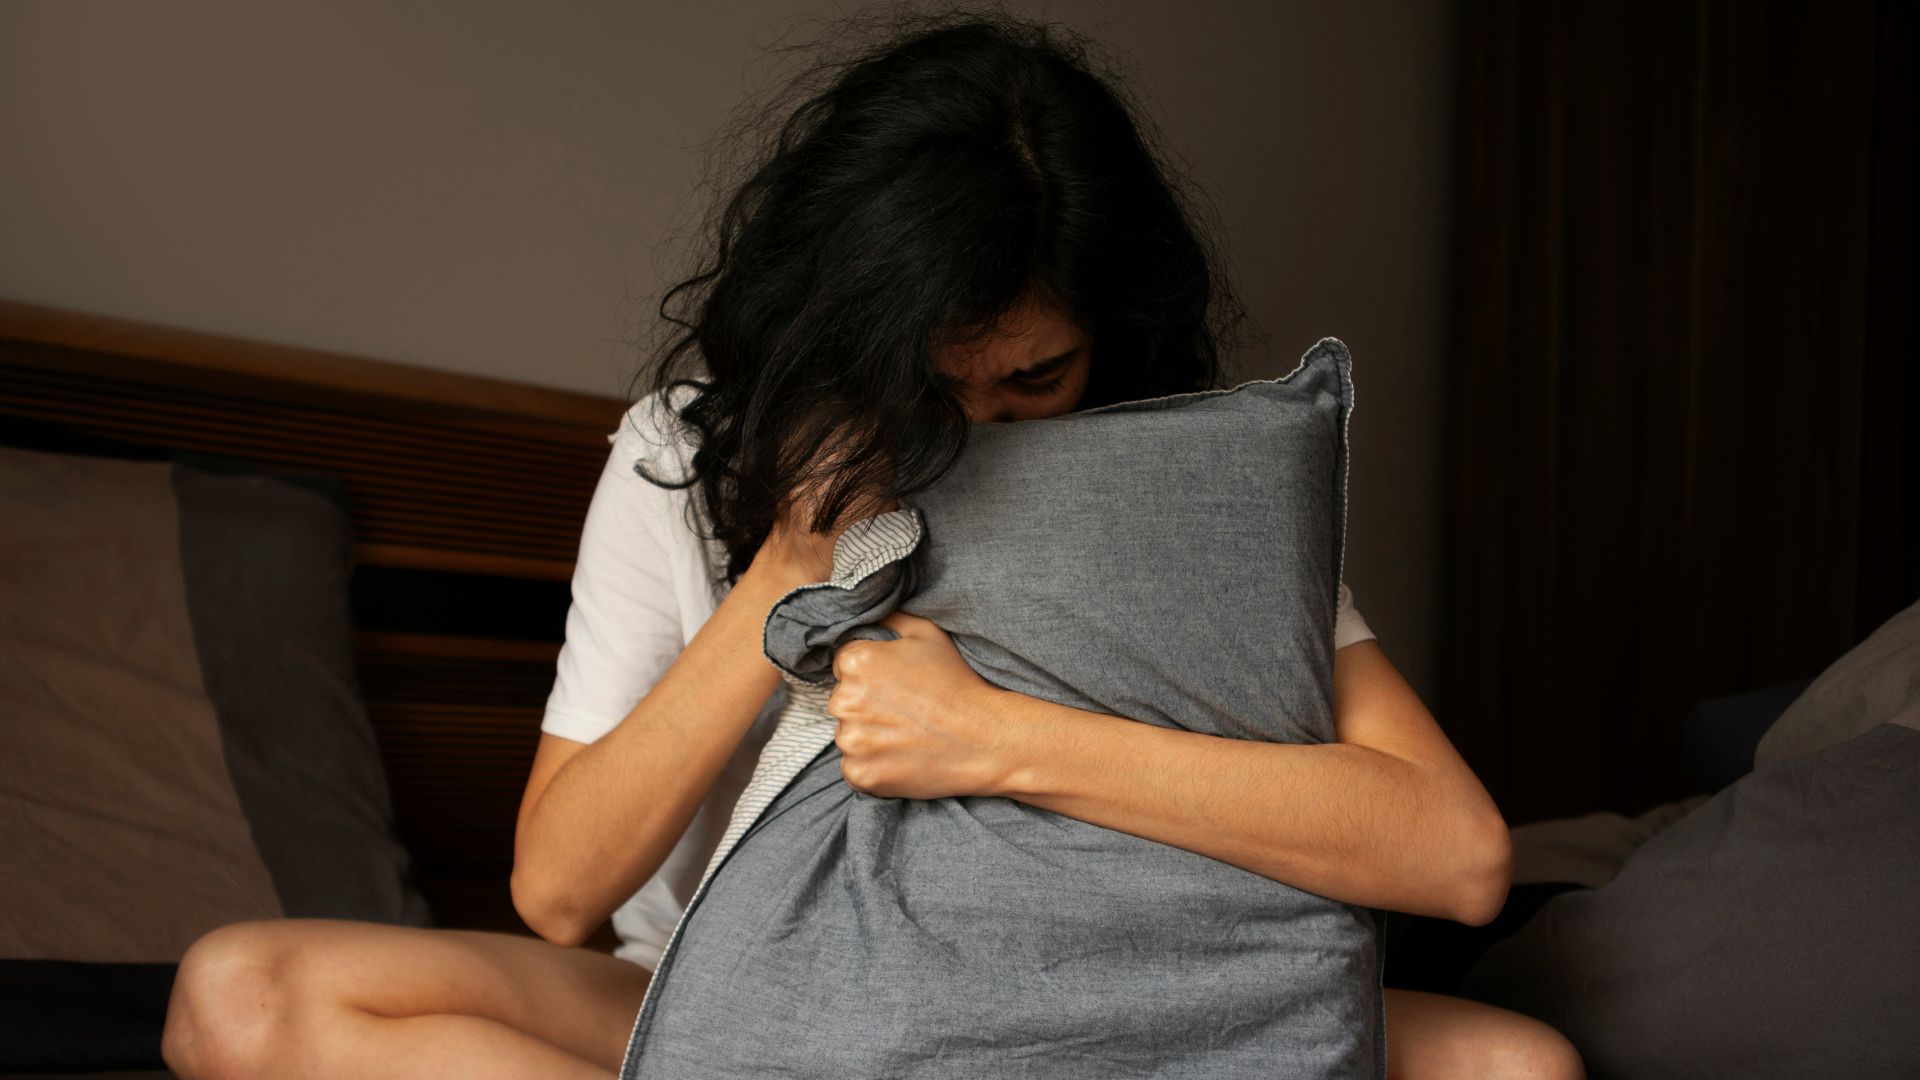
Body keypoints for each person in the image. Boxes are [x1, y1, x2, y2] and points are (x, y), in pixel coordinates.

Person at [160, 9, 1583, 1079]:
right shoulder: (686, 450)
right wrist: (786, 567)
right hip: (730, 1002)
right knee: (237, 995)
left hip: (1102, 998)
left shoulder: (1184, 493)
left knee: (1520, 1068)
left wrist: (999, 740)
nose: (977, 423)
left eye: (1035, 378)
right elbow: (557, 893)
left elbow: (1456, 860)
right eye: (930, 377)